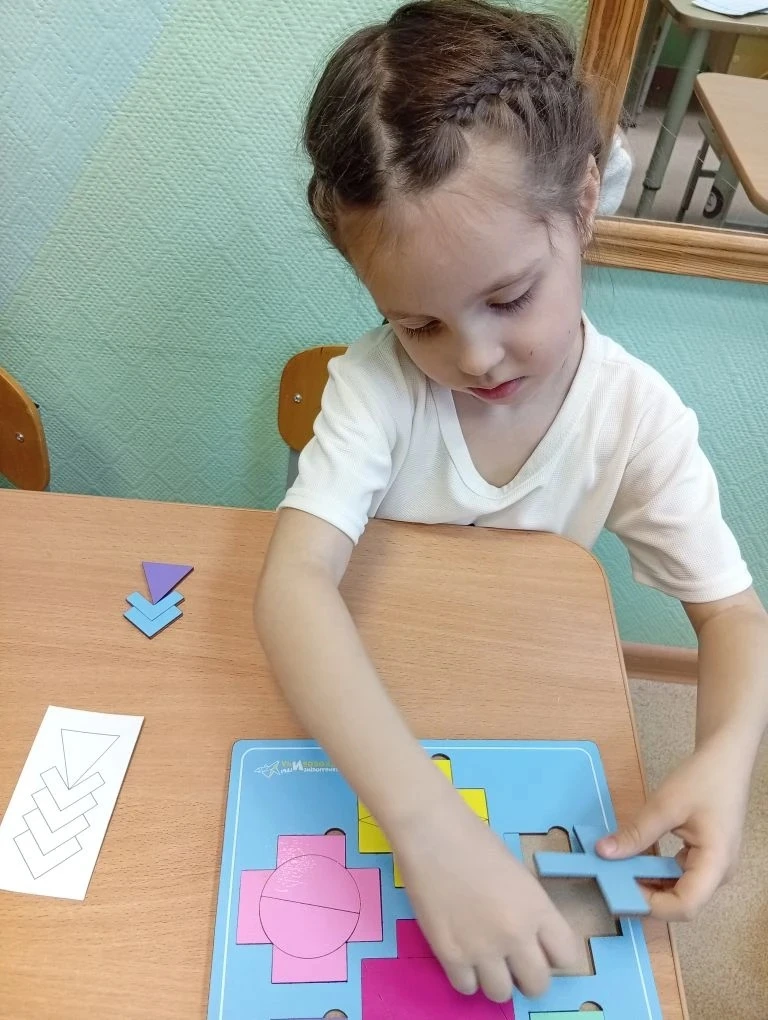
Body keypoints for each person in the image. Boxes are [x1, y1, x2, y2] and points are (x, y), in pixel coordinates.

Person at [256, 0, 768, 1004]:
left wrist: (726, 754)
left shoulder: (635, 417)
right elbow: (292, 586)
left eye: (508, 298)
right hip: (376, 715)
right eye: (419, 325)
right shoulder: (376, 390)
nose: (477, 357)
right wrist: (424, 823)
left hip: (513, 713)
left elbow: (734, 618)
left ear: (584, 201)